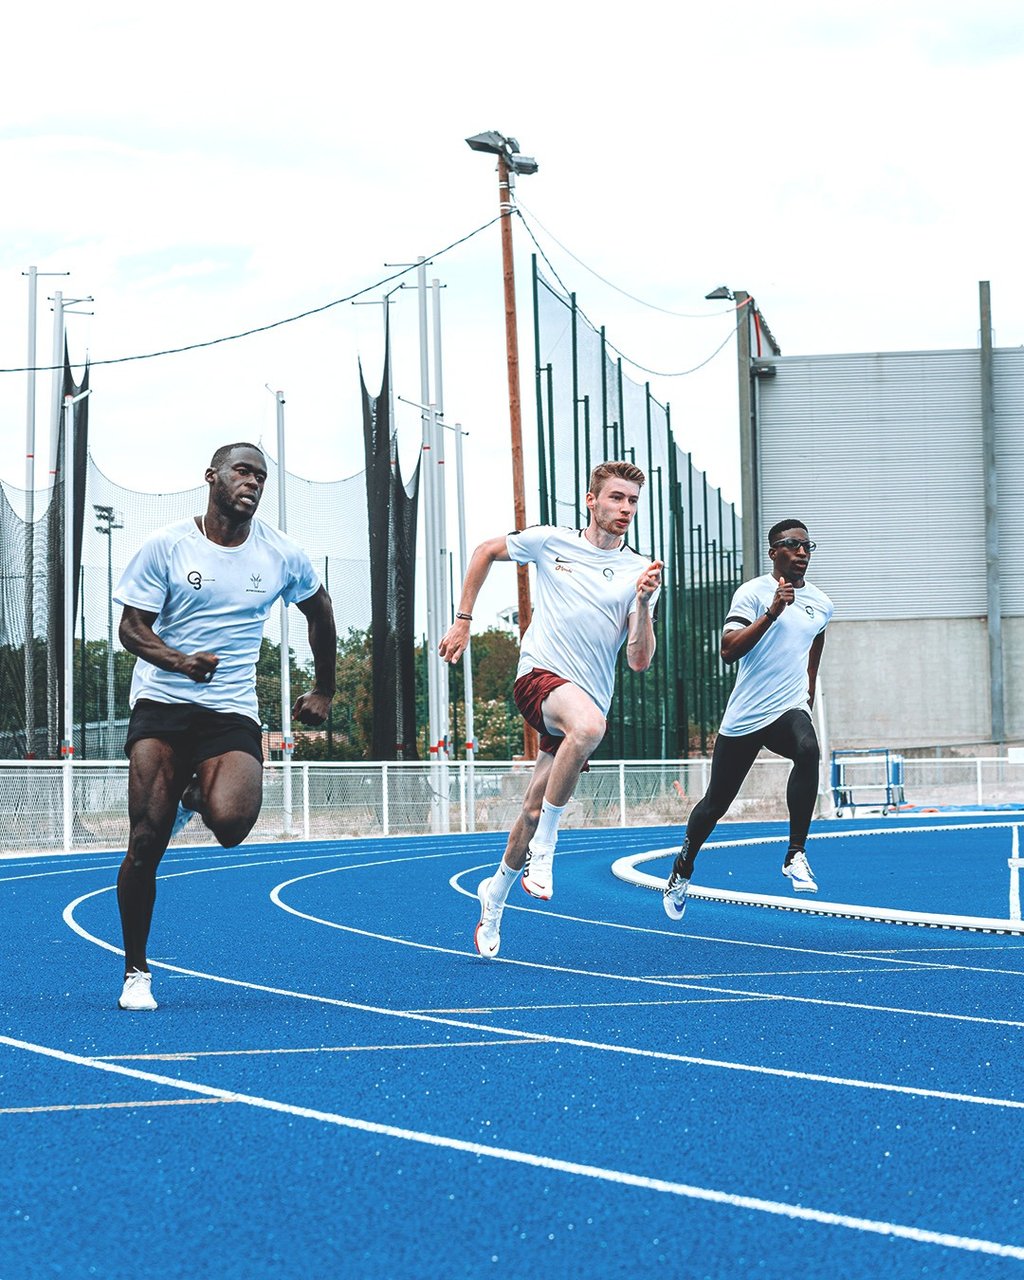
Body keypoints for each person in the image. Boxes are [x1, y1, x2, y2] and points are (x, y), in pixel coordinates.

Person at [113, 443, 337, 1010]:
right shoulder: (167, 545)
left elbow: (321, 611)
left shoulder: (281, 554)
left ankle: (192, 793)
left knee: (233, 823)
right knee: (146, 841)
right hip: (163, 703)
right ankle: (136, 972)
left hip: (230, 708)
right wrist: (178, 661)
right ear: (211, 476)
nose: (253, 483)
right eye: (243, 471)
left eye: (261, 476)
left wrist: (325, 687)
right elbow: (131, 629)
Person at [439, 461, 662, 958]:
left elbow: (639, 661)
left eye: (632, 501)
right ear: (591, 500)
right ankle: (547, 849)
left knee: (534, 807)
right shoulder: (551, 541)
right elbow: (484, 552)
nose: (625, 509)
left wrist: (644, 604)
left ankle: (493, 896)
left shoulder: (639, 571)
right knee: (589, 726)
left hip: (586, 697)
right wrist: (463, 620)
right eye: (616, 498)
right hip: (539, 677)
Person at [663, 518, 833, 920]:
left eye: (809, 546)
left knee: (808, 750)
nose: (803, 553)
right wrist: (772, 612)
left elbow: (817, 634)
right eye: (793, 545)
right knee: (713, 806)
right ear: (774, 552)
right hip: (746, 716)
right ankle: (683, 867)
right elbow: (727, 650)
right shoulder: (752, 593)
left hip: (787, 708)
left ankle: (795, 854)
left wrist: (808, 686)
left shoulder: (822, 603)